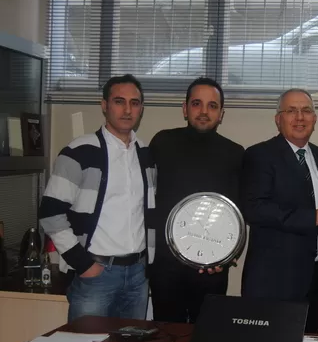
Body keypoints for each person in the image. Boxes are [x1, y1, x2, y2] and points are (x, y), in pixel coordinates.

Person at [39, 74, 155, 322]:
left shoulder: (146, 155)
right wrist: (83, 264)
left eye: (134, 103)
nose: (127, 110)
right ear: (104, 105)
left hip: (138, 276)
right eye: (119, 101)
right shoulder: (79, 151)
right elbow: (50, 213)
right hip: (96, 275)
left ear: (141, 109)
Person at [240, 88, 318, 334]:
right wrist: (312, 217)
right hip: (274, 282)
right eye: (291, 111)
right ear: (278, 119)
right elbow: (255, 208)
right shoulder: (259, 155)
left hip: (315, 280)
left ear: (314, 119)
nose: (300, 117)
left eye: (306, 111)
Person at [148, 77, 244, 323]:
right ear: (185, 108)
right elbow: (144, 196)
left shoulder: (235, 153)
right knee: (166, 335)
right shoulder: (162, 143)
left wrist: (228, 256)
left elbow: (238, 212)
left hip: (212, 267)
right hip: (165, 266)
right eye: (196, 104)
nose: (204, 111)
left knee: (207, 335)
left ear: (221, 114)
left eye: (212, 106)